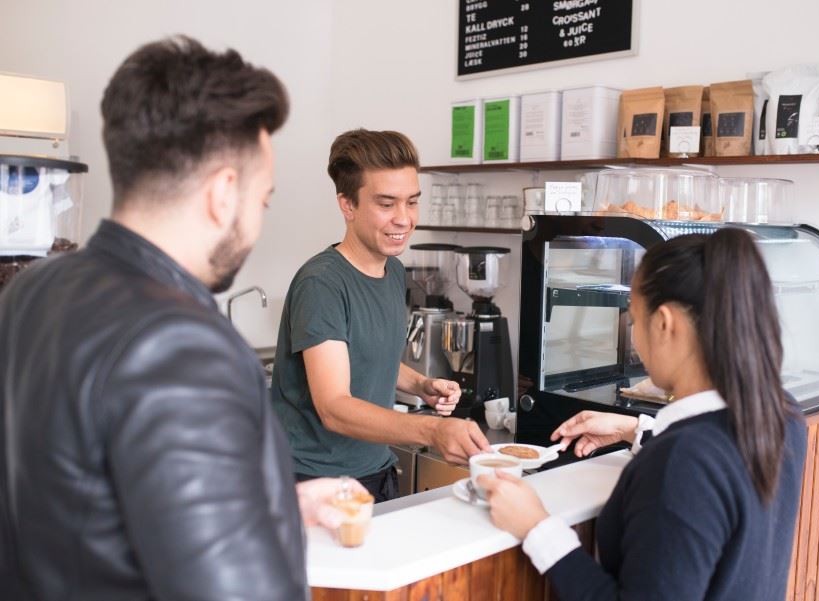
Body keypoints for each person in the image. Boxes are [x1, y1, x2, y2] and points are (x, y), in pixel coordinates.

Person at [0, 36, 365, 601]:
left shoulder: (32, 290)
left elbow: (80, 500)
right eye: (262, 200)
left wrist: (270, 507)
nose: (258, 220)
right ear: (223, 193)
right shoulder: (183, 346)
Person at [479, 228, 807, 601]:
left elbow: (694, 472)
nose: (633, 336)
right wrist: (635, 429)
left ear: (665, 323)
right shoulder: (782, 413)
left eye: (633, 319)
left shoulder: (680, 461)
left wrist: (536, 527)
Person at [270, 129, 491, 502]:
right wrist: (432, 431)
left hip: (376, 467)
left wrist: (421, 384)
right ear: (348, 205)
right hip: (315, 480)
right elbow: (334, 407)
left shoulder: (393, 272)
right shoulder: (322, 284)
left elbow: (367, 355)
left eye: (412, 202)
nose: (404, 219)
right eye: (387, 204)